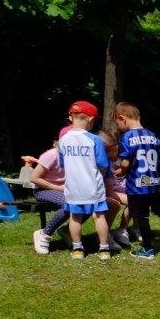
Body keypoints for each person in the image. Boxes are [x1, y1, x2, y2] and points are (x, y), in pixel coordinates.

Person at [113, 102, 160, 258]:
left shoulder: (127, 138)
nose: (119, 126)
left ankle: (147, 249)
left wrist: (120, 171)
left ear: (122, 118)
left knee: (142, 216)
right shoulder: (153, 136)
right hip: (154, 183)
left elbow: (125, 163)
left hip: (137, 185)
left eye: (118, 123)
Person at [57, 101, 114, 260]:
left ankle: (77, 249)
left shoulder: (63, 140)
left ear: (71, 117)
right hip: (93, 186)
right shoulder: (95, 140)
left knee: (75, 217)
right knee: (99, 216)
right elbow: (103, 165)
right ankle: (104, 250)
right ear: (90, 119)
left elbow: (62, 164)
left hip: (73, 186)